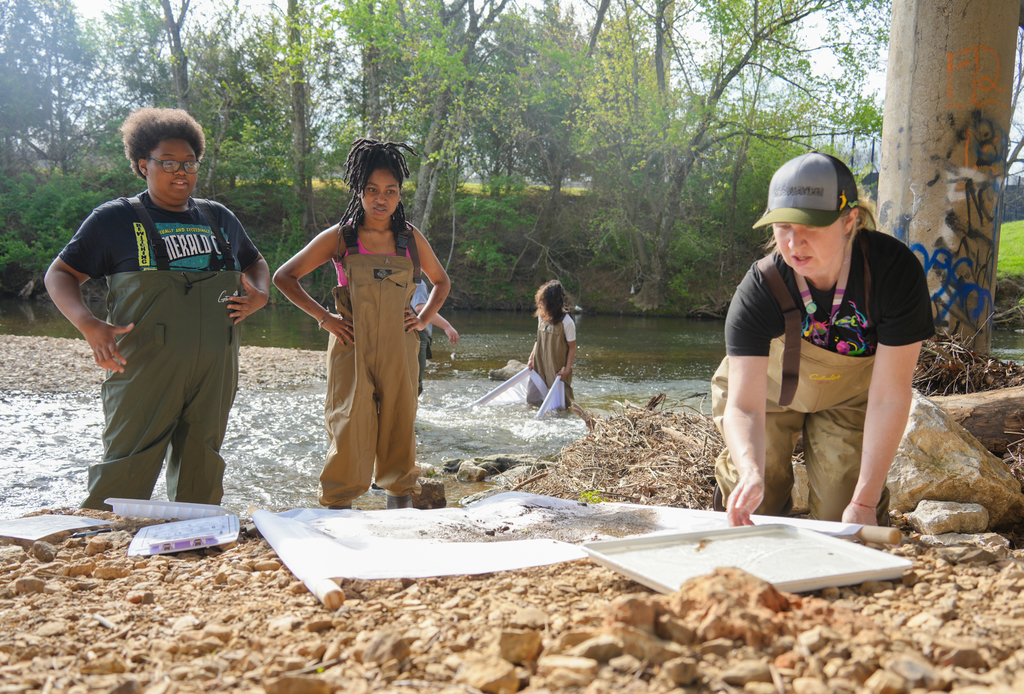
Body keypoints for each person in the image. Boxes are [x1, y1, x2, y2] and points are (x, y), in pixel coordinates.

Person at [43, 107, 270, 511]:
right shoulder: (113, 219)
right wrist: (88, 323)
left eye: (189, 162)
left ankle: (197, 532)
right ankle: (103, 533)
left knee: (203, 457)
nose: (181, 172)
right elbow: (59, 274)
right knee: (127, 462)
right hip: (145, 364)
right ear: (141, 164)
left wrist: (261, 294)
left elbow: (255, 263)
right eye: (168, 162)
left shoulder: (219, 217)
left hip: (216, 366)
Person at [712, 151, 933, 528]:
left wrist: (864, 499)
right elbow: (744, 407)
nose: (794, 243)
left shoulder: (895, 274)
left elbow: (889, 396)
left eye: (810, 227)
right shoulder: (760, 287)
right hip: (767, 394)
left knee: (842, 519)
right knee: (757, 503)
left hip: (848, 397)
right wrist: (749, 472)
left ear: (850, 220)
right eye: (783, 226)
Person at [273, 138, 451, 509]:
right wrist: (325, 319)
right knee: (349, 428)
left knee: (399, 430)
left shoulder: (409, 239)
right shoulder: (342, 237)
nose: (380, 199)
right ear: (359, 190)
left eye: (390, 191)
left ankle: (399, 521)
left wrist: (422, 319)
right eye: (372, 190)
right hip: (350, 345)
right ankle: (338, 517)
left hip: (400, 347)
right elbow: (284, 277)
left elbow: (441, 282)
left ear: (400, 194)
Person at [527, 279, 576, 405]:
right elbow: (538, 339)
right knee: (532, 400)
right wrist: (531, 357)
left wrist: (567, 370)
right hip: (539, 364)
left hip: (556, 368)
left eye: (544, 301)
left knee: (560, 405)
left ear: (552, 302)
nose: (541, 304)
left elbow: (572, 348)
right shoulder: (542, 316)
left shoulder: (567, 322)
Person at [411, 278, 459, 396]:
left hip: (396, 334)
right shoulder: (417, 282)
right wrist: (447, 326)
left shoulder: (394, 279)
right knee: (414, 384)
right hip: (416, 335)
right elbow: (420, 308)